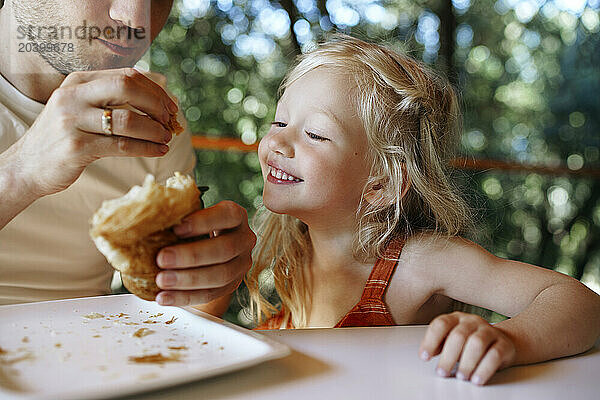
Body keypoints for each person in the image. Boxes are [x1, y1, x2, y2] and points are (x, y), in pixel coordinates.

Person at [245, 35, 600, 385]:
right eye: (280, 122)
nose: (276, 141)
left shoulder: (417, 263)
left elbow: (580, 304)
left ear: (380, 184)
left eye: (316, 134)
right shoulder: (288, 241)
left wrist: (510, 340)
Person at [0, 0, 255, 314]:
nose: (136, 19)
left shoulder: (152, 114)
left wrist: (207, 272)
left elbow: (180, 312)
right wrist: (19, 173)